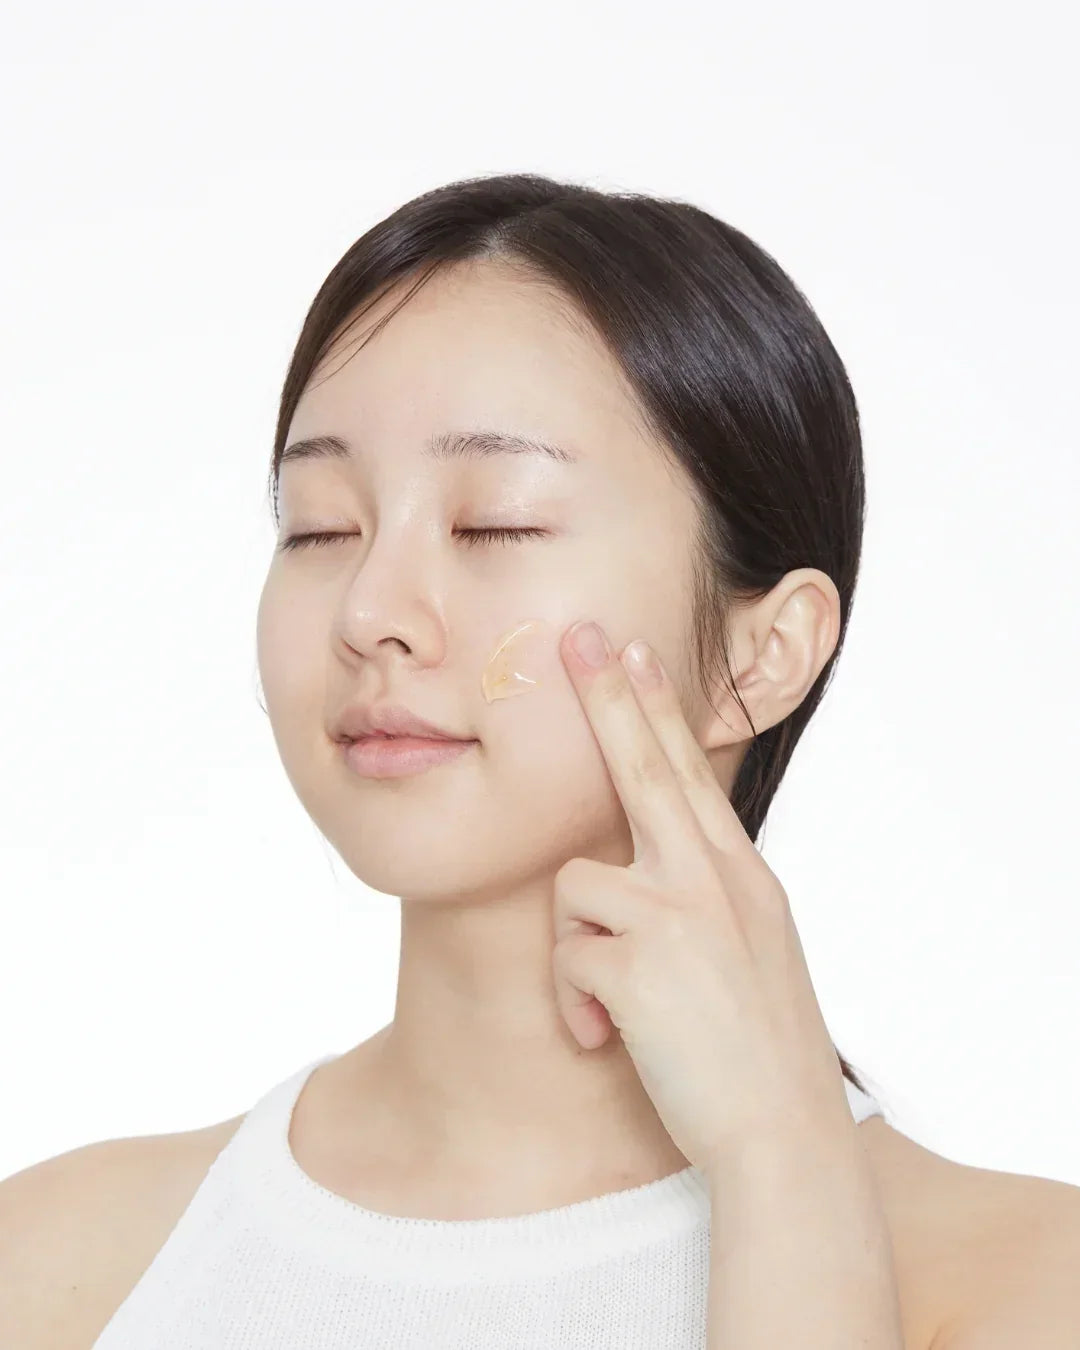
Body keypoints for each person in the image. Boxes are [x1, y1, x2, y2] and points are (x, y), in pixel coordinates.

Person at [3, 172, 1078, 1348]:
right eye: (319, 525)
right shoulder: (66, 1268)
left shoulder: (1020, 1282)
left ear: (762, 654)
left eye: (495, 522)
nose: (370, 610)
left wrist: (783, 1175)